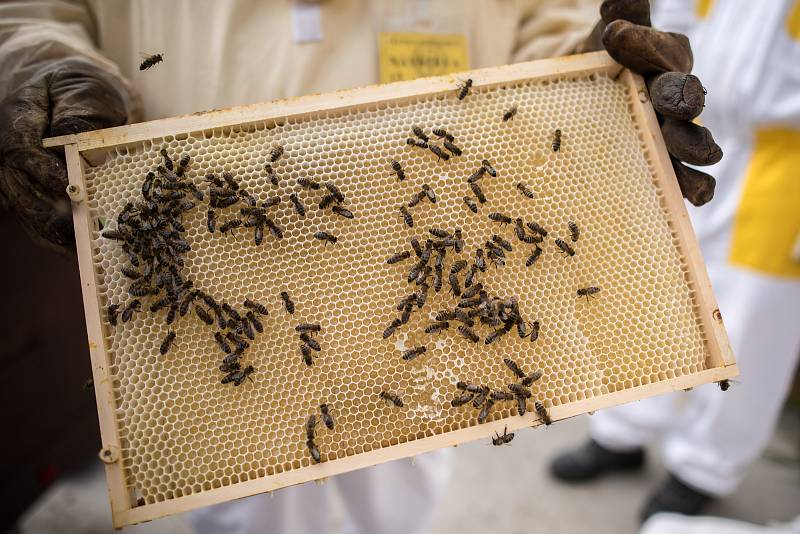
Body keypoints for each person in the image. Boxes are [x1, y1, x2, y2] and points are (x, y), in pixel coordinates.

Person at [0, 1, 719, 532]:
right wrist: (33, 65)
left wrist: (599, 82)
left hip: (425, 331)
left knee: (405, 490)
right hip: (214, 301)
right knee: (237, 506)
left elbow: (545, 24)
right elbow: (33, 11)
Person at [550, 0, 800, 524]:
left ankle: (703, 469)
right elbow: (674, 22)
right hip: (685, 128)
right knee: (654, 292)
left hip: (786, 161)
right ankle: (623, 432)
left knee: (754, 325)